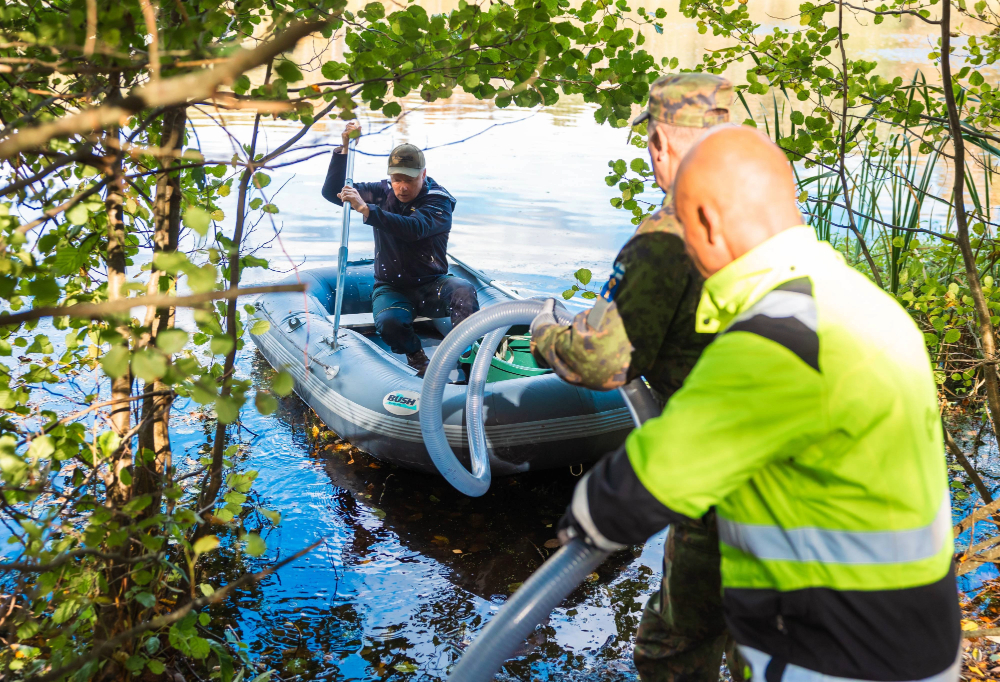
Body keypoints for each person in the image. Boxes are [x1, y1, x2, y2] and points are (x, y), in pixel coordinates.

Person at [558, 127, 960, 681]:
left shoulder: (777, 340)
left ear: (705, 223)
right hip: (911, 643)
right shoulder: (864, 305)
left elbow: (630, 496)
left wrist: (578, 518)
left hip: (832, 660)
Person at [530, 73, 742, 681]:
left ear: (658, 143)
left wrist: (547, 329)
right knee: (767, 638)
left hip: (723, 476)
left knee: (673, 648)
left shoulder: (670, 233)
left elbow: (600, 361)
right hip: (798, 463)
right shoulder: (760, 213)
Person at [322, 121, 479, 375]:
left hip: (432, 283)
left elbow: (413, 229)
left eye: (410, 179)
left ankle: (467, 360)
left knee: (463, 290)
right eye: (397, 180)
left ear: (424, 175)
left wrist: (365, 209)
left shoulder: (439, 201)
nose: (403, 187)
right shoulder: (382, 193)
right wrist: (344, 150)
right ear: (390, 177)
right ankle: (417, 358)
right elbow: (332, 192)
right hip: (391, 285)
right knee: (389, 322)